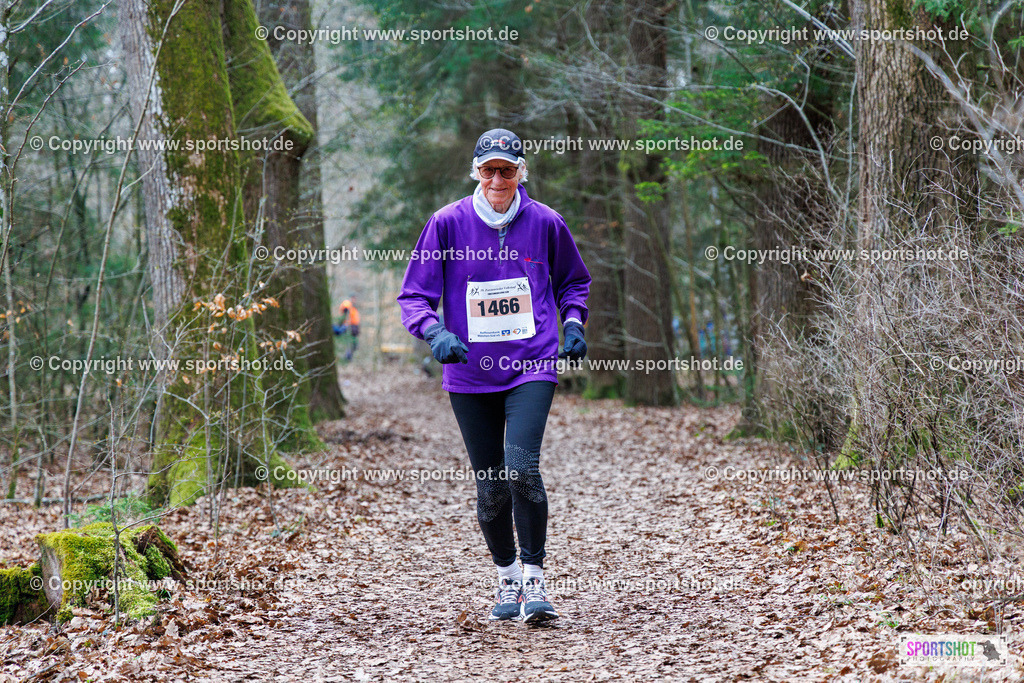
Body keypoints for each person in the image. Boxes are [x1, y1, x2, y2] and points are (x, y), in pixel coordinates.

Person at [398, 128, 590, 624]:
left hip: (532, 364)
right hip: (469, 371)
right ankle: (506, 577)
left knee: (522, 466)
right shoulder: (446, 224)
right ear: (476, 174)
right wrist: (434, 332)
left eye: (508, 170)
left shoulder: (546, 223)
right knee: (490, 483)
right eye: (490, 171)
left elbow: (574, 281)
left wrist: (572, 324)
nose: (498, 179)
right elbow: (414, 296)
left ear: (522, 171)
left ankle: (535, 581)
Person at [336, 295, 360, 362]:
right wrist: (346, 310)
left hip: (354, 327)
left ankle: (349, 356)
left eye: (355, 299)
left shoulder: (354, 308)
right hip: (349, 326)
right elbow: (344, 307)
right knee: (350, 343)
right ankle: (347, 356)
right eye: (353, 298)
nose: (354, 300)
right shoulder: (348, 303)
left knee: (355, 344)